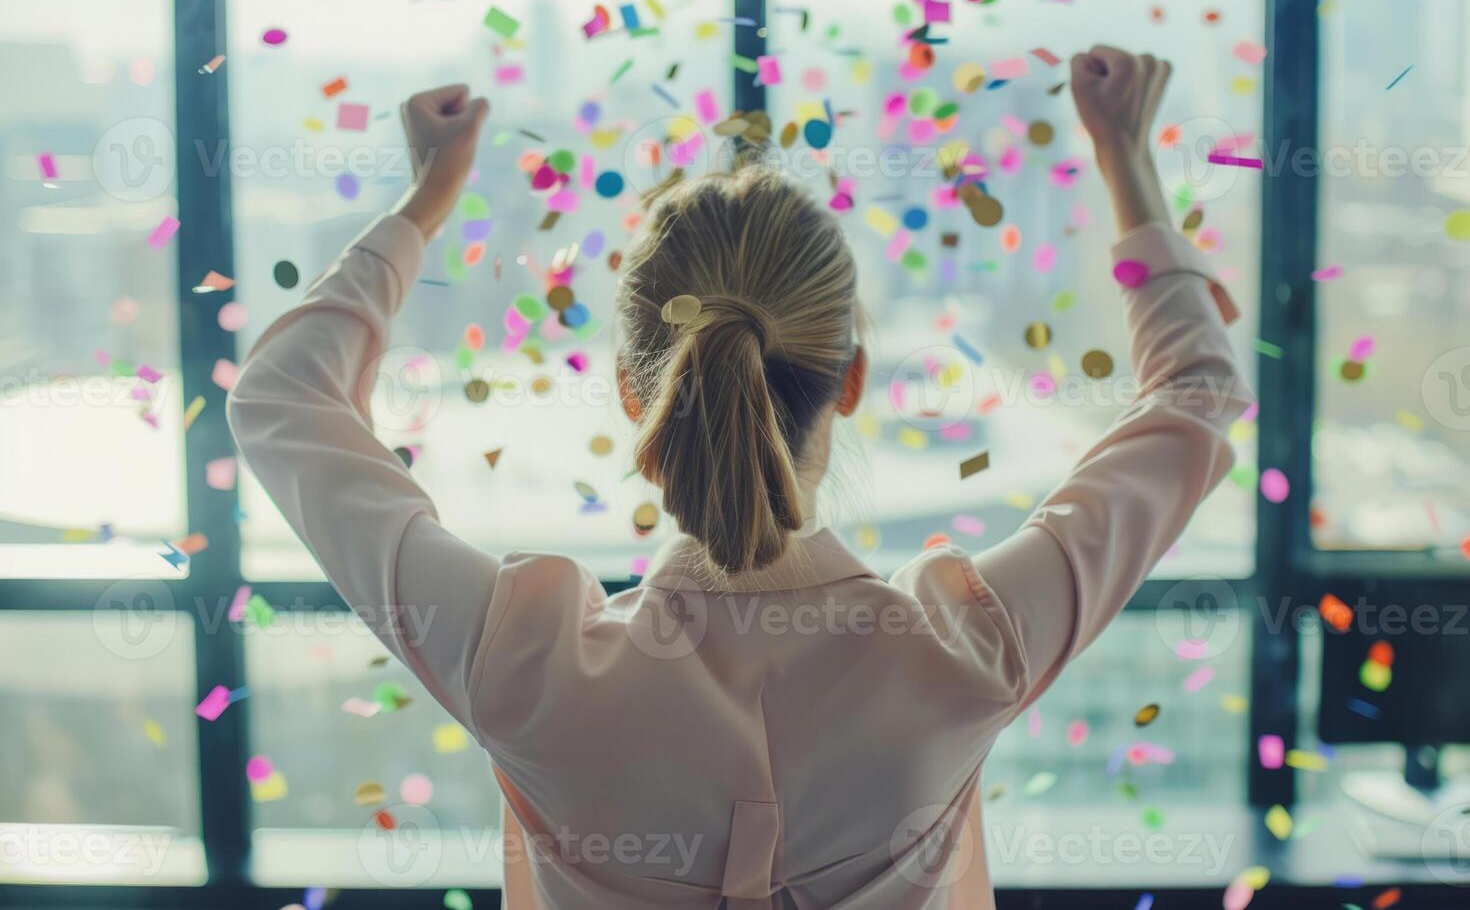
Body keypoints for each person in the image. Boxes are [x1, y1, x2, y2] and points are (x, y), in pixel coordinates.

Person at [227, 45, 1250, 908]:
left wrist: (425, 194)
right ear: (851, 381)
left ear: (639, 394)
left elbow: (278, 399)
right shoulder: (968, 651)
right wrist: (1125, 157)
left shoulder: (520, 662)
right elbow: (1197, 395)